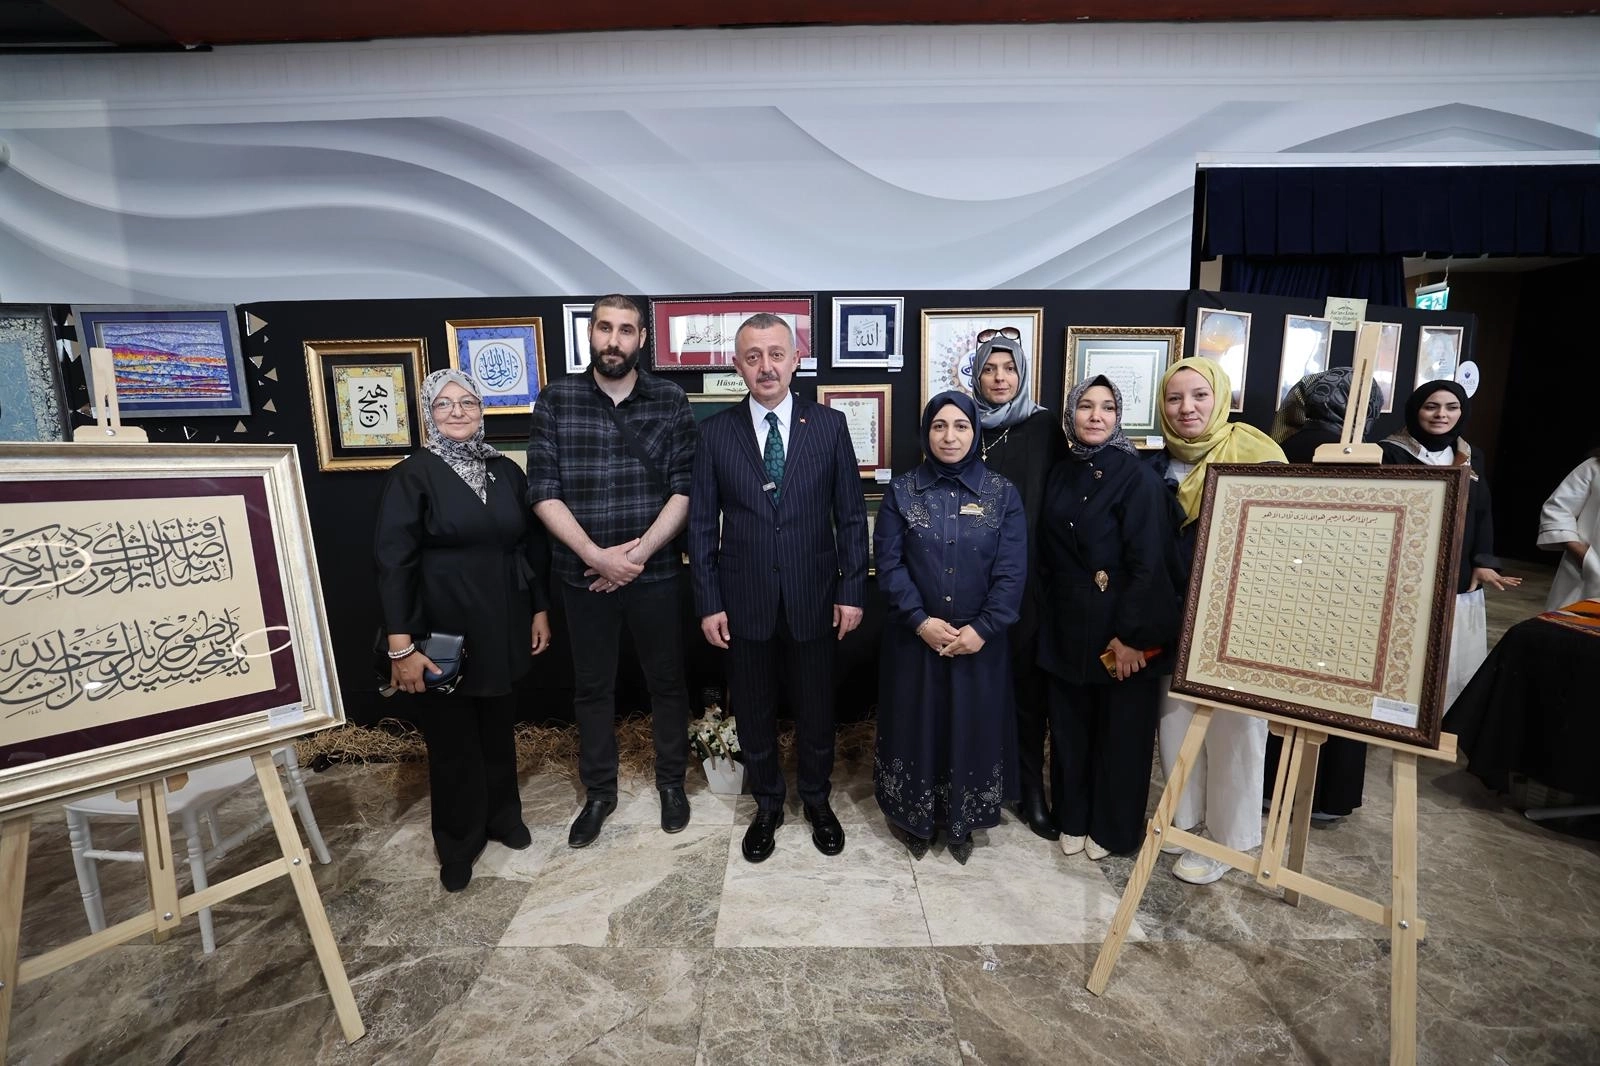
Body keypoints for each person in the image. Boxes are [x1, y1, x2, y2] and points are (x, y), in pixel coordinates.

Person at [688, 314, 869, 863]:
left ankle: (816, 799)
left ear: (795, 360)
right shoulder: (715, 433)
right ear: (737, 365)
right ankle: (767, 803)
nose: (765, 366)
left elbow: (851, 518)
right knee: (754, 711)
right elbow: (701, 526)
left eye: (775, 354)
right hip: (744, 600)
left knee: (816, 709)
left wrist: (852, 590)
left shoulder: (829, 426)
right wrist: (708, 602)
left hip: (815, 596)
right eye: (753, 356)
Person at [526, 294, 697, 848]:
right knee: (592, 688)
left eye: (626, 330)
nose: (614, 340)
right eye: (605, 328)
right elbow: (543, 490)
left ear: (642, 339)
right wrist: (598, 557)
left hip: (657, 572)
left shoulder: (669, 399)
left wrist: (635, 557)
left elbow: (685, 489)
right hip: (583, 575)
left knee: (667, 683)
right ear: (591, 333)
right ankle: (599, 792)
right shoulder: (556, 399)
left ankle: (671, 782)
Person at [375, 369, 553, 892]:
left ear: (482, 411)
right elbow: (393, 564)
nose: (457, 412)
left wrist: (539, 610)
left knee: (498, 726)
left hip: (502, 619)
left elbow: (528, 547)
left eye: (468, 402)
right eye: (444, 404)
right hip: (441, 632)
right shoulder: (412, 475)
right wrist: (401, 646)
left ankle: (502, 817)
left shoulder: (506, 471)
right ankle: (457, 841)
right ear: (428, 414)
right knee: (453, 741)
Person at [1147, 357, 1285, 886]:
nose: (1187, 408)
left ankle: (1229, 838)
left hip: (1238, 620)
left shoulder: (1258, 456)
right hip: (1174, 618)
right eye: (1175, 398)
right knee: (1176, 721)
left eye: (1199, 395)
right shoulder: (1156, 467)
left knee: (1235, 730)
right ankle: (1183, 821)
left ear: (1221, 398)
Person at [873, 391, 1027, 864]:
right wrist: (920, 622)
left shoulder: (1002, 493)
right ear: (926, 432)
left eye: (961, 426)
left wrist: (982, 629)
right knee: (915, 728)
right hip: (915, 640)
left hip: (979, 645)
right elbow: (889, 564)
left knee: (970, 729)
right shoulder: (902, 492)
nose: (950, 436)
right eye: (939, 426)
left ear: (975, 432)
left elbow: (1012, 571)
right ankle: (912, 818)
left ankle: (962, 822)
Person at [1037, 376, 1179, 860]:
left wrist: (1134, 637)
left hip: (1120, 629)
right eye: (1085, 406)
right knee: (1070, 731)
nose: (1096, 416)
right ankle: (1072, 816)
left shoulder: (1138, 477)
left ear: (1120, 416)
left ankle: (1113, 830)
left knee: (1120, 736)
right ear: (1070, 414)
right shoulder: (1061, 471)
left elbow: (1150, 563)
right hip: (1066, 622)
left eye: (1107, 407)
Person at [1264, 367, 1385, 824]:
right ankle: (1330, 796)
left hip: (1284, 591)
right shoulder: (1371, 456)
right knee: (1339, 693)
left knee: (1282, 691)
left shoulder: (1283, 447)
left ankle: (1272, 788)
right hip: (1347, 595)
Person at [972, 332, 1068, 840]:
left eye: (1009, 368)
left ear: (1023, 373)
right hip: (971, 582)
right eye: (990, 369)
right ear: (976, 375)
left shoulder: (1044, 425)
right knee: (979, 689)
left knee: (1029, 694)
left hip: (1028, 581)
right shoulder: (962, 423)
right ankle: (981, 786)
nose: (1000, 378)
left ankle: (1031, 791)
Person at [1380, 380, 1521, 707]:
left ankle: (1444, 712)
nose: (1441, 415)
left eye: (1451, 407)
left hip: (1458, 567)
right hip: (1407, 569)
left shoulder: (1470, 456)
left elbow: (1482, 510)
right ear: (1416, 411)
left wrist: (1482, 560)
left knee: (1452, 654)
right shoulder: (1389, 452)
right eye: (1431, 407)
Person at [1537, 449, 1600, 609]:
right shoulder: (1594, 467)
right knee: (1574, 620)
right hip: (1587, 574)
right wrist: (1582, 554)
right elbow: (1557, 509)